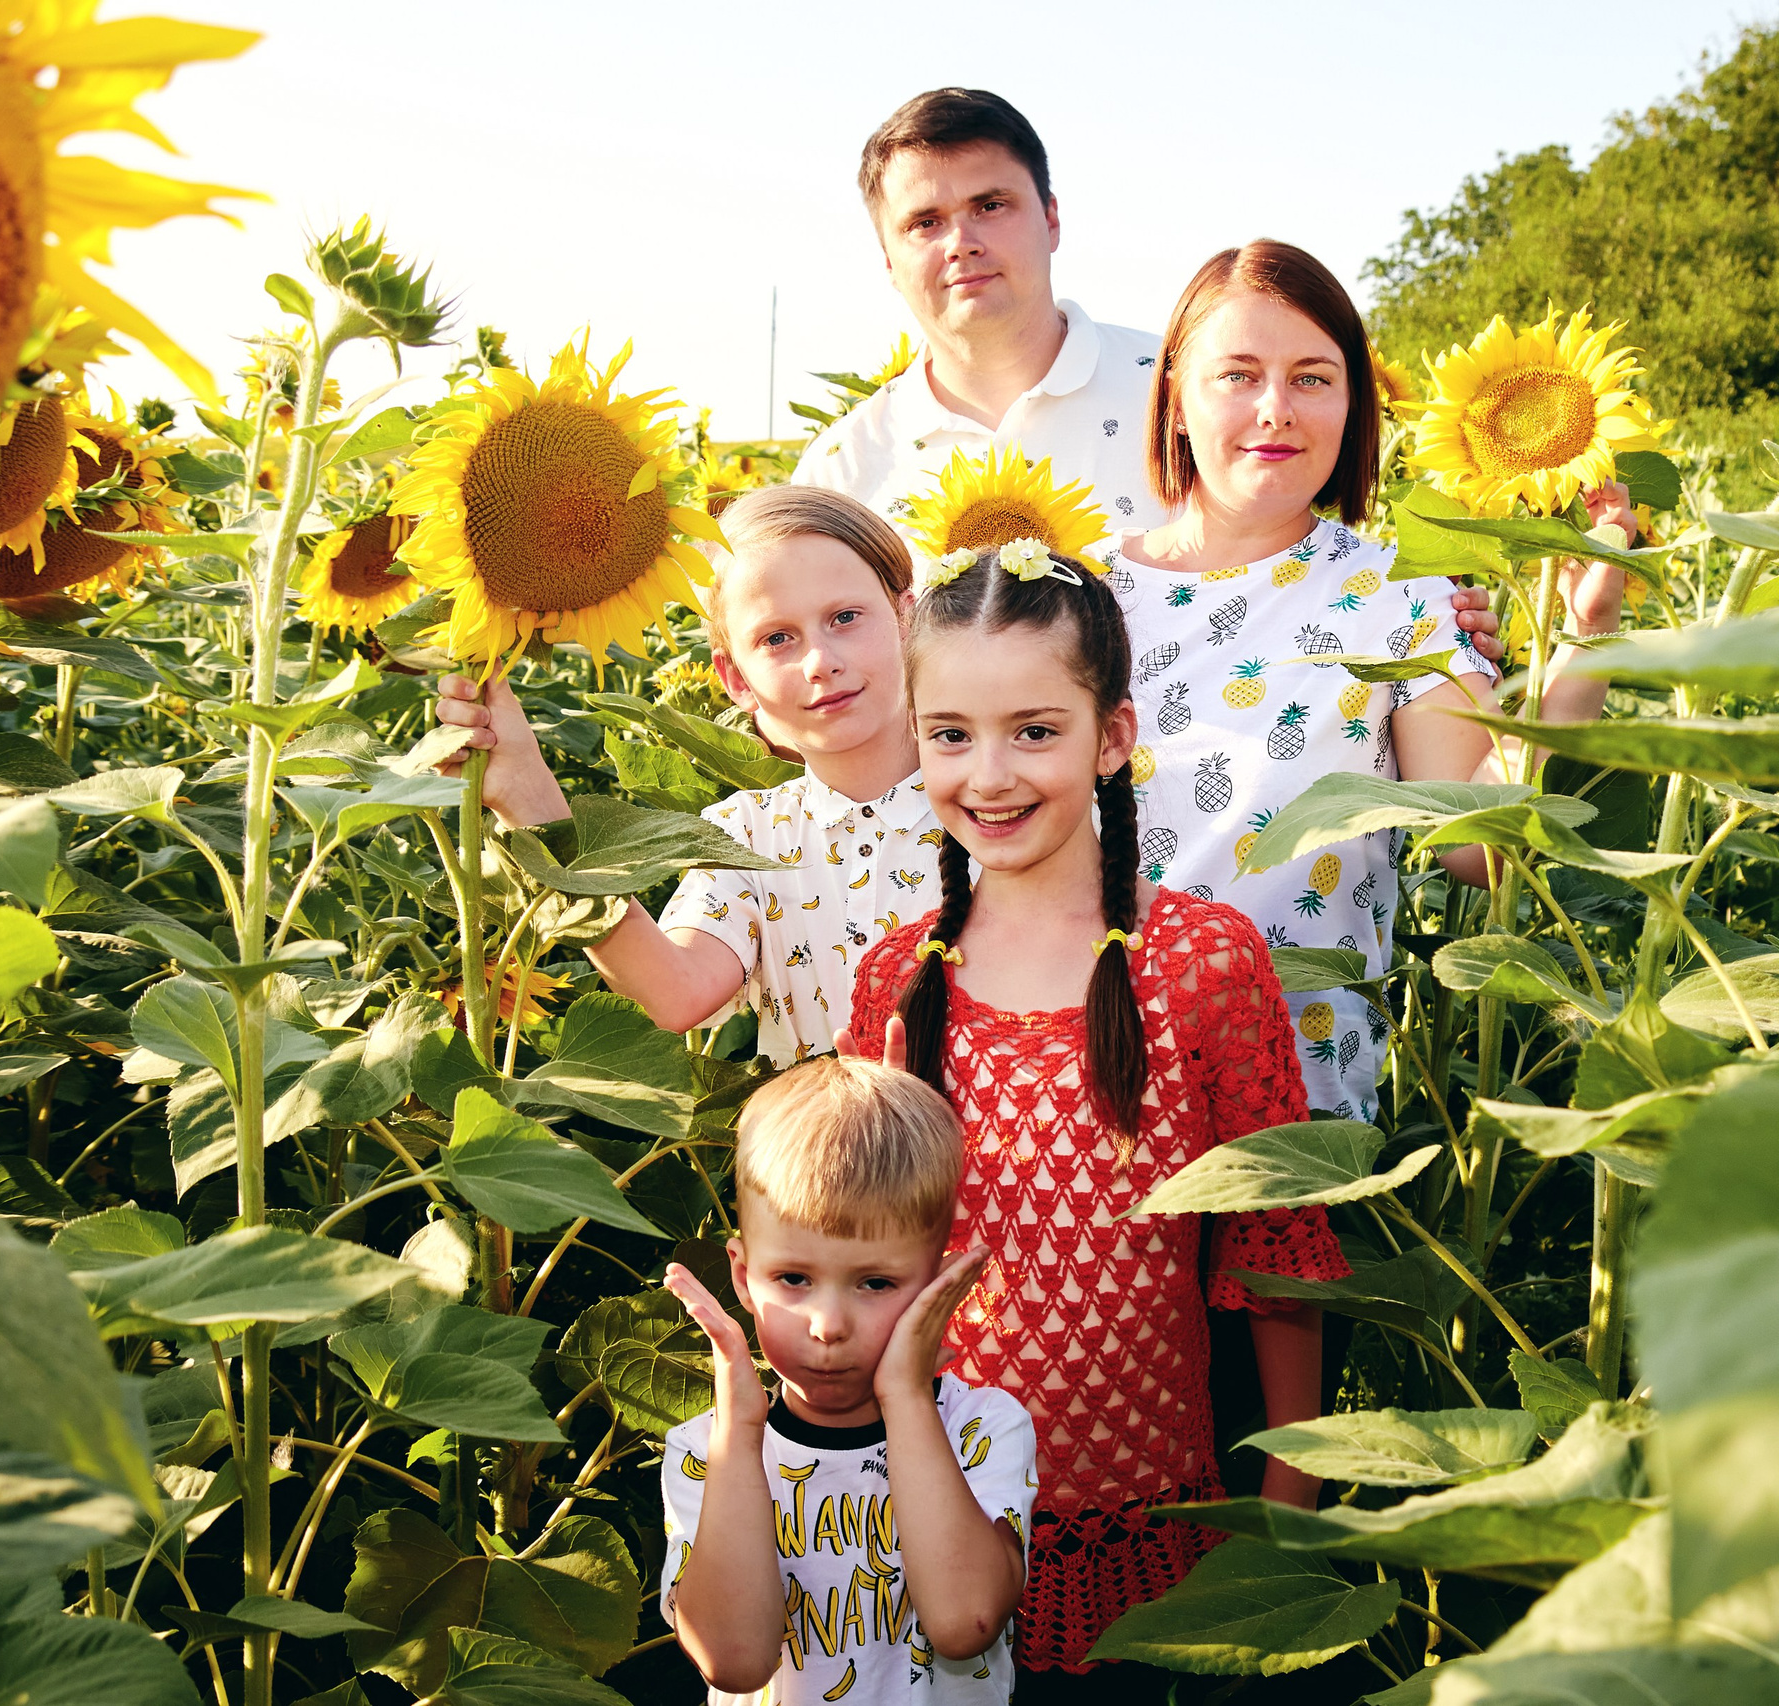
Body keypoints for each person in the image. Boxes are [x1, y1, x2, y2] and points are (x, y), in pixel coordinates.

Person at [844, 538, 1348, 1686]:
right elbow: (861, 1264)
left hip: (1161, 1542)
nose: (989, 775)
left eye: (1034, 731)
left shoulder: (1203, 962)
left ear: (1112, 736)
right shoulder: (895, 983)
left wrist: (1287, 1500)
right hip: (930, 1527)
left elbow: (1275, 1249)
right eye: (950, 734)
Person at [1090, 240, 1631, 1121]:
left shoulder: (1402, 591)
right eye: (1238, 376)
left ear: (1353, 406)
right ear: (1177, 400)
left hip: (1292, 1115)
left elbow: (1480, 847)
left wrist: (1586, 635)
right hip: (1075, 1089)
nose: (1276, 408)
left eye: (1312, 378)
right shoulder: (1074, 596)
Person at [433, 486, 938, 1063]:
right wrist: (527, 792)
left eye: (845, 618)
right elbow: (674, 994)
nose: (820, 662)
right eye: (777, 638)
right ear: (736, 680)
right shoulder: (747, 837)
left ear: (907, 619)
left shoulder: (993, 800)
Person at [660, 1053, 1034, 1703]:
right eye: (793, 1278)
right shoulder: (706, 1450)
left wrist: (907, 1396)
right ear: (743, 1276)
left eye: (875, 1283)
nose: (828, 1325)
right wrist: (740, 1434)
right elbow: (734, 1662)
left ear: (938, 1286)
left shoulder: (980, 1430)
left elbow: (963, 1622)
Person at [793, 88, 1166, 540]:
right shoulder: (838, 478)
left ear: (1050, 220)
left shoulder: (1183, 396)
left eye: (990, 206)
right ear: (889, 260)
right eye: (925, 223)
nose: (961, 244)